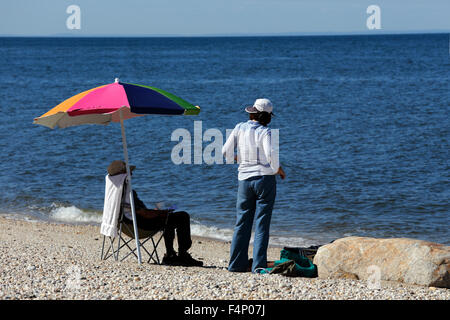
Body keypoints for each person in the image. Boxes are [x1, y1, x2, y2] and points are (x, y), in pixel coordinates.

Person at [222, 98, 286, 273]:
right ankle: (258, 266)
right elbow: (271, 155)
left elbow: (225, 152)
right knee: (262, 224)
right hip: (264, 180)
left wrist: (239, 159)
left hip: (244, 180)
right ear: (267, 116)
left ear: (252, 113)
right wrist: (277, 170)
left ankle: (235, 265)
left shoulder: (239, 128)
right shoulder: (266, 132)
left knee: (241, 223)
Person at [107, 160, 203, 267]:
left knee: (168, 218)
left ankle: (171, 255)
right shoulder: (128, 193)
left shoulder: (115, 191)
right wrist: (159, 213)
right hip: (139, 227)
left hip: (126, 225)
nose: (132, 174)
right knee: (182, 216)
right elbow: (141, 213)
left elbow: (136, 212)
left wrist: (155, 213)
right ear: (123, 175)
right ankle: (180, 255)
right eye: (128, 172)